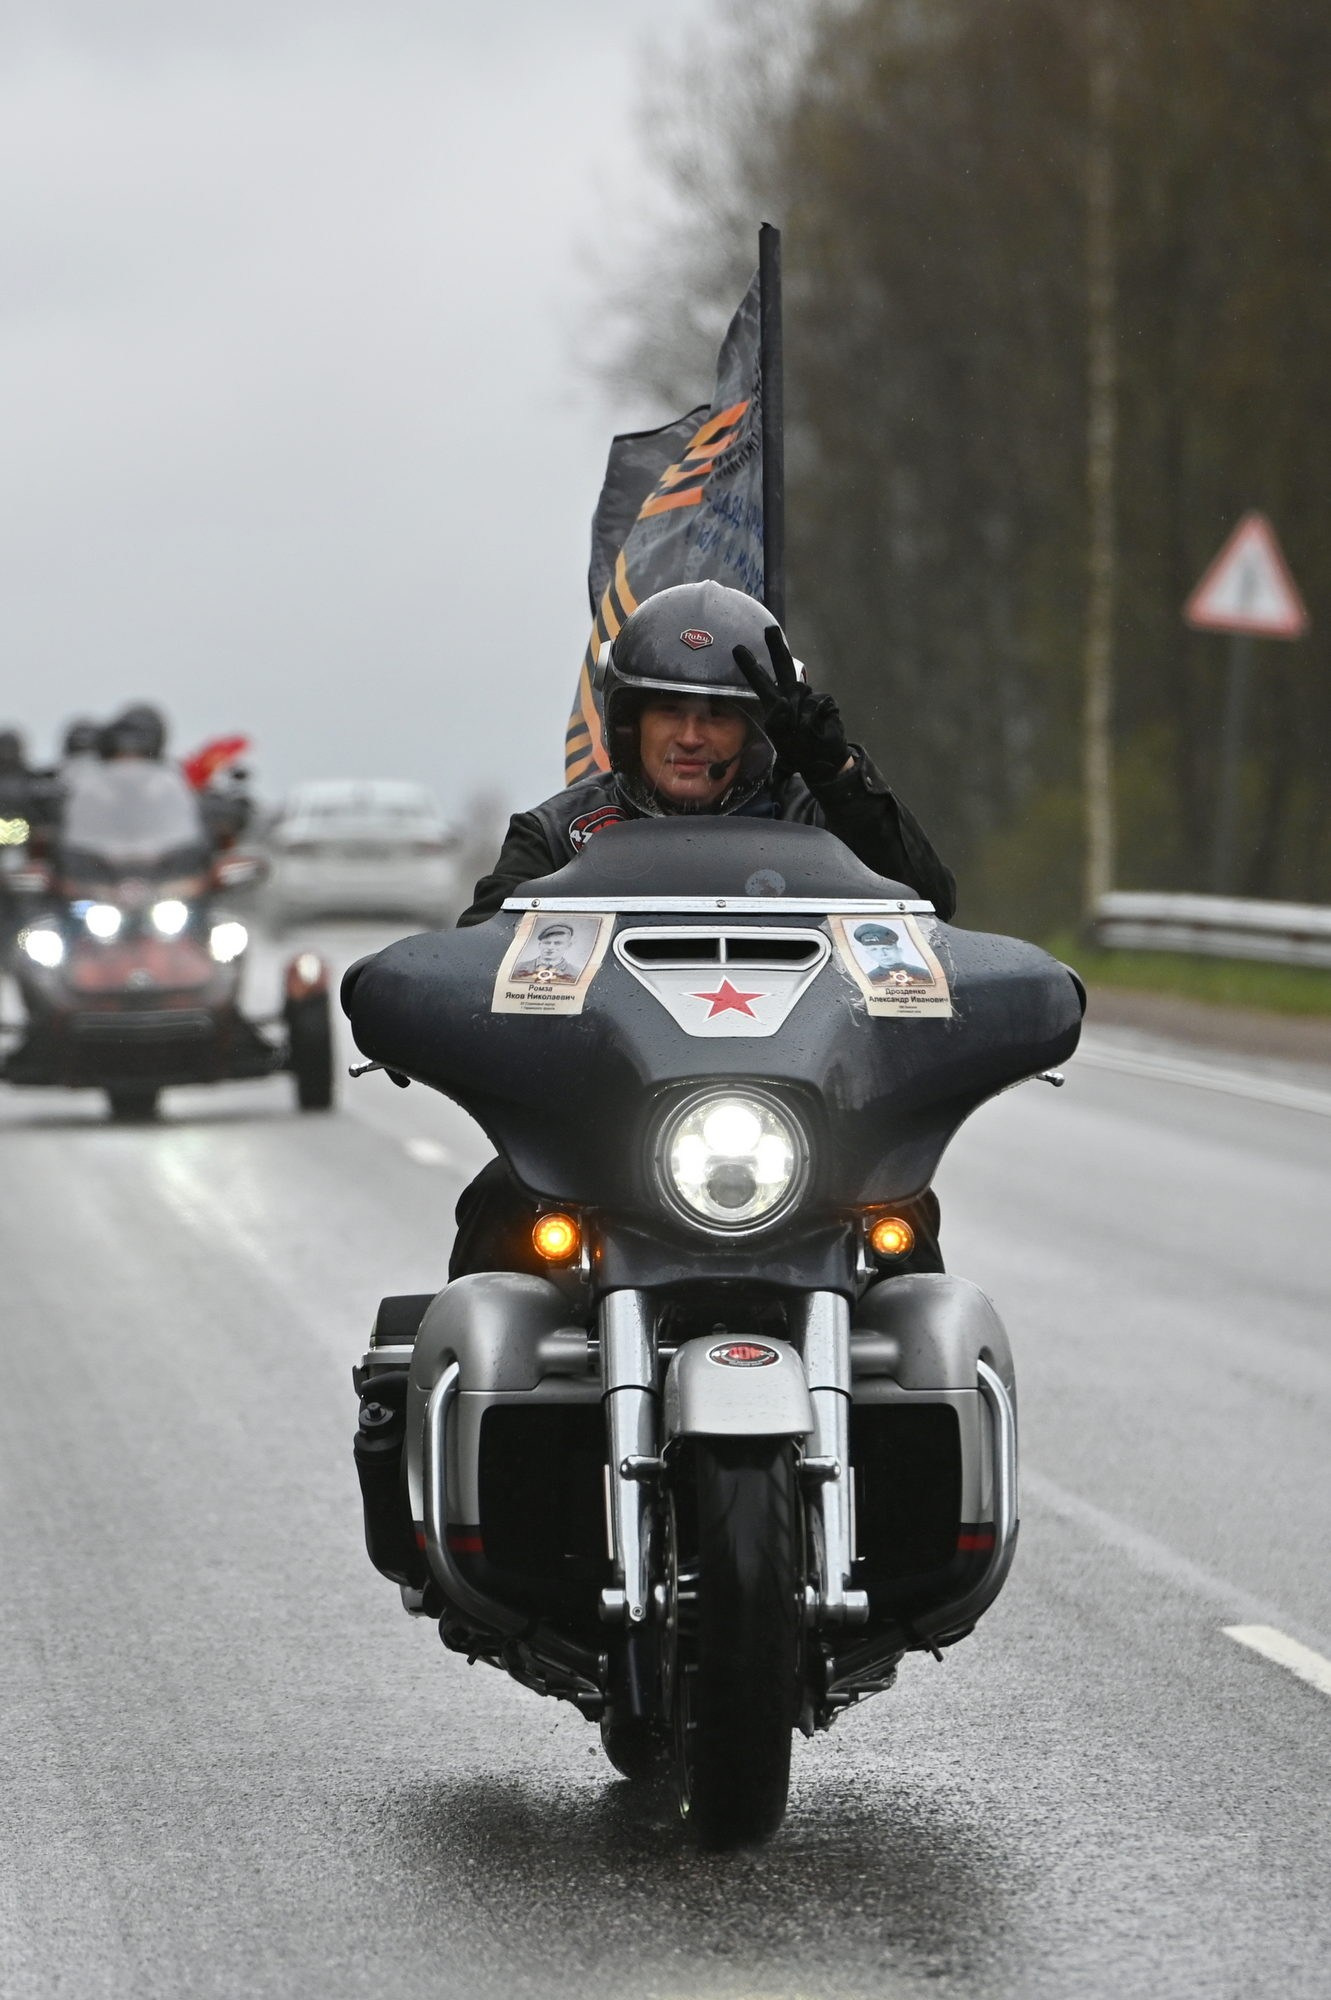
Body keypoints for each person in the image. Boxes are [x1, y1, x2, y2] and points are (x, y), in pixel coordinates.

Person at [450, 579, 949, 1279]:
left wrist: (837, 775)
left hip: (804, 1129)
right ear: (628, 723)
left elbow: (928, 909)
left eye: (717, 714)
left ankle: (927, 1387)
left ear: (756, 731)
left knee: (903, 1221)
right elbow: (476, 963)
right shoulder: (557, 834)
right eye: (667, 710)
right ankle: (466, 1387)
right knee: (498, 1201)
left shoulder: (815, 820)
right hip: (600, 1127)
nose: (689, 736)